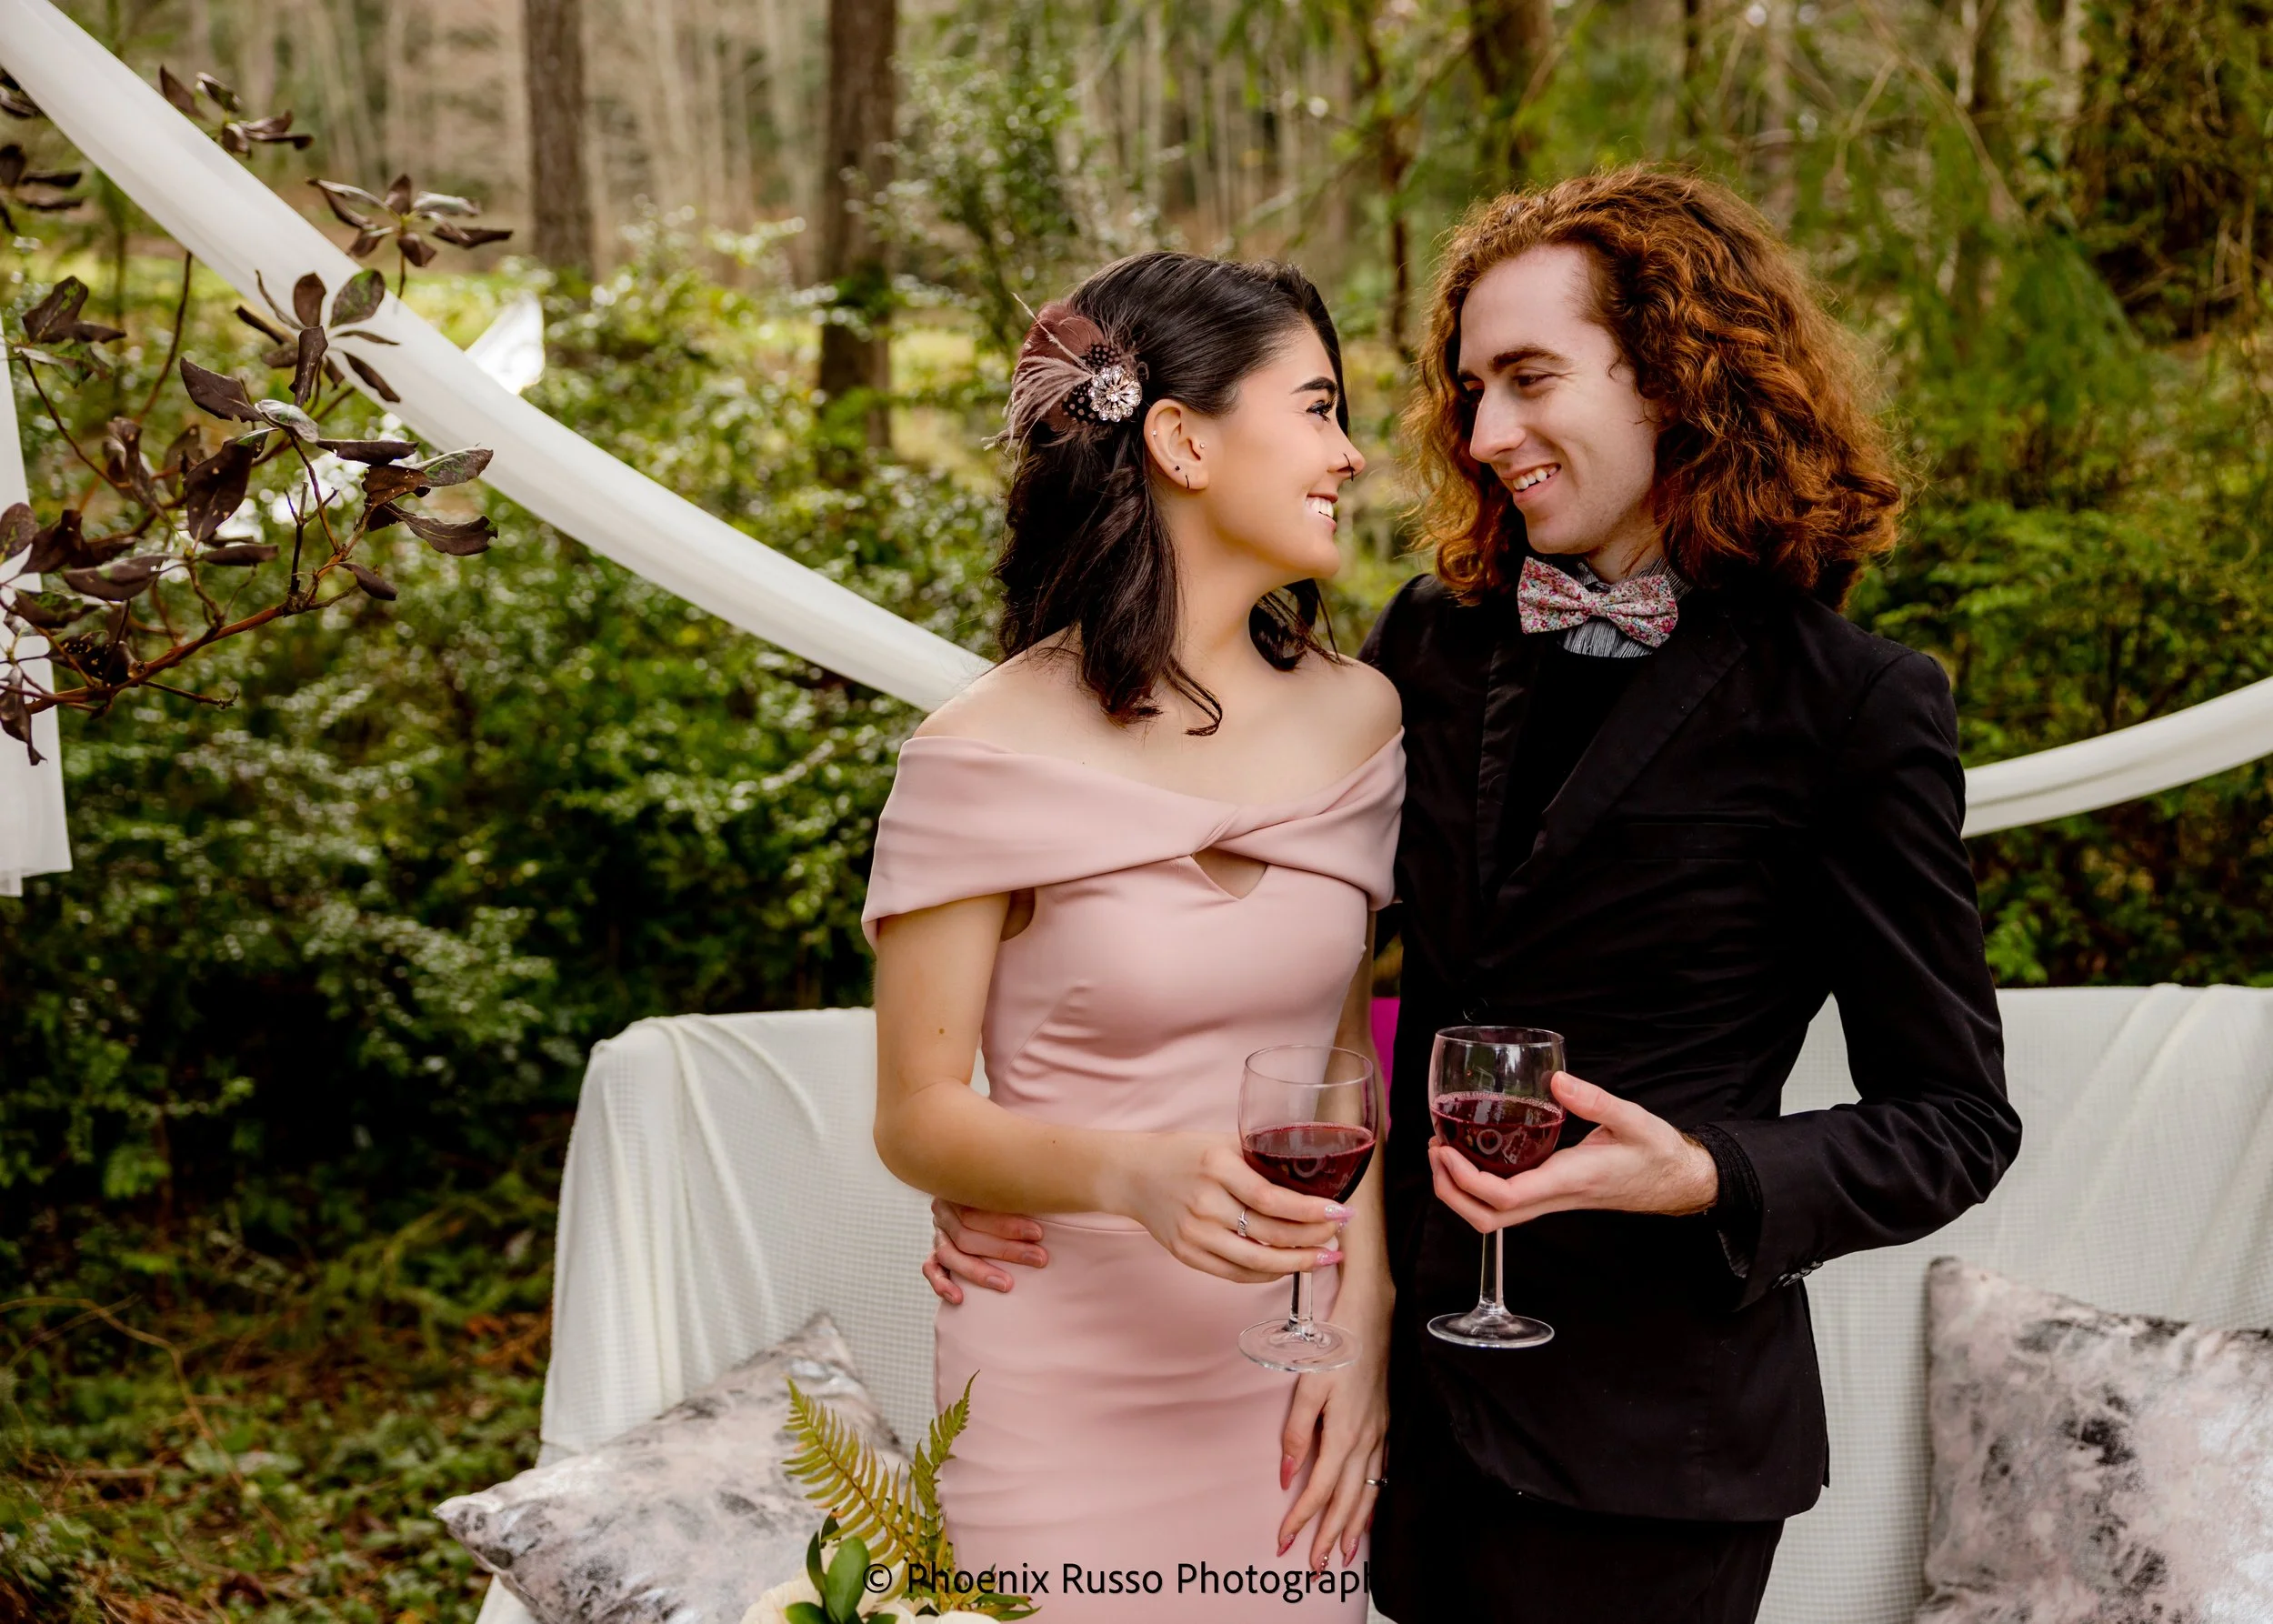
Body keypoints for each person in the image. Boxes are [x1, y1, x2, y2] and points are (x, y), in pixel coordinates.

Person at [923, 168, 2025, 1623]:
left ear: (1679, 374)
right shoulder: (1428, 648)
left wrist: (1704, 1168)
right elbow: (1276, 952)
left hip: (1652, 1461)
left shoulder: (1857, 706)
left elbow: (1955, 1119)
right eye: (1472, 389)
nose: (1486, 433)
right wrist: (1017, 1152)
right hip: (1382, 1432)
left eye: (1529, 378)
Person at [866, 252, 1404, 1623]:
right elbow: (917, 1115)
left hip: (1289, 1383)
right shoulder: (979, 752)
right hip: (1058, 1392)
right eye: (1320, 408)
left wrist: (1368, 1312)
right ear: (1180, 440)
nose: (1350, 454)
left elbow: (1339, 1063)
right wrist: (1130, 1172)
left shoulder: (1369, 720)